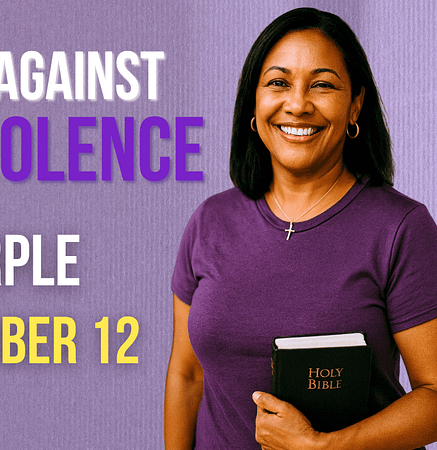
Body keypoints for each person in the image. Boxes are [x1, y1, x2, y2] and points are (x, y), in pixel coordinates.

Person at [164, 7, 437, 450]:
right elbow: (187, 373)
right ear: (253, 104)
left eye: (323, 84)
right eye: (278, 82)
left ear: (356, 105)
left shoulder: (401, 229)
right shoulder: (210, 221)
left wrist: (324, 447)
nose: (297, 103)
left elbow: (435, 393)